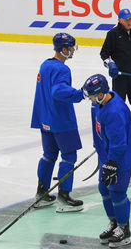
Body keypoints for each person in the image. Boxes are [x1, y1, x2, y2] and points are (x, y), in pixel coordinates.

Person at [83, 74, 131, 248]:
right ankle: (114, 222)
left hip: (120, 157)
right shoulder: (99, 104)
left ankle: (124, 228)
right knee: (104, 188)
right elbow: (99, 130)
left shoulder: (114, 111)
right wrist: (100, 149)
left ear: (101, 94)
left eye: (92, 96)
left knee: (117, 191)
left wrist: (112, 163)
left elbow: (119, 143)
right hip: (108, 155)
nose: (90, 99)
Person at [30, 33, 85, 212]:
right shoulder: (62, 69)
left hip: (45, 119)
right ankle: (64, 196)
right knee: (69, 156)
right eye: (71, 48)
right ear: (63, 49)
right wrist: (81, 94)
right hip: (61, 121)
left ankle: (42, 192)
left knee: (48, 155)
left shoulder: (45, 64)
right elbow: (58, 92)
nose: (73, 51)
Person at [100, 8, 131, 141]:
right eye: (126, 19)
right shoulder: (113, 34)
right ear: (120, 20)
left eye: (130, 18)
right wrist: (110, 64)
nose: (129, 21)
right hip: (120, 76)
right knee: (118, 103)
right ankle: (118, 128)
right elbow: (104, 53)